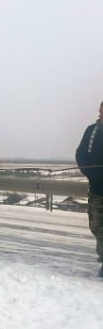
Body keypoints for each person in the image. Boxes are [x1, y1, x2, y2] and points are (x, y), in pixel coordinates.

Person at [75, 100, 103, 278]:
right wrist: (91, 175)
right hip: (97, 189)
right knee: (97, 226)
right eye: (102, 108)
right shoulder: (91, 130)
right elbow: (81, 154)